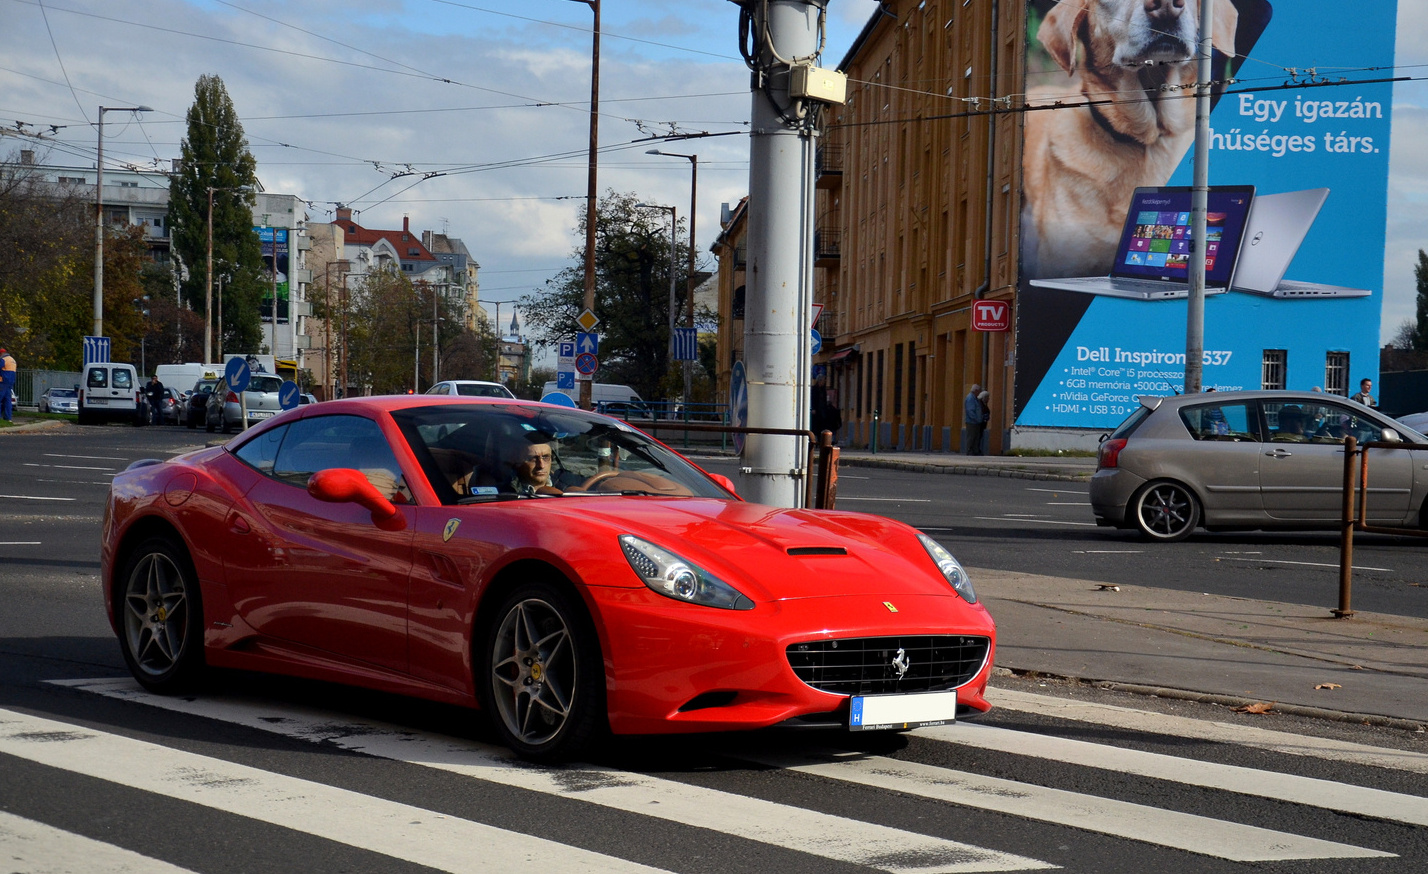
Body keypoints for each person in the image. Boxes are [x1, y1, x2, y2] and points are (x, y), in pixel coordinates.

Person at [963, 384, 987, 455]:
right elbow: (970, 411)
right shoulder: (970, 398)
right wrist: (976, 419)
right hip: (972, 422)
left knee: (976, 437)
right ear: (975, 390)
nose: (979, 393)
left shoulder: (975, 398)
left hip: (976, 422)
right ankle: (969, 450)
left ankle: (975, 450)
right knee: (971, 437)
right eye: (979, 391)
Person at [0, 347, 15, 422]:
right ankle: (8, 418)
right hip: (10, 382)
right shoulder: (12, 360)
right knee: (7, 400)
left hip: (3, 382)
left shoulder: (3, 359)